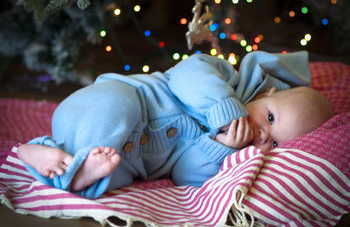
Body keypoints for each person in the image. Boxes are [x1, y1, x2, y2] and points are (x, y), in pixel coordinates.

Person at [17, 51, 334, 199]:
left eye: (276, 143)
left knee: (111, 174)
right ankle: (68, 161)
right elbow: (186, 74)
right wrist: (226, 109)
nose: (264, 135)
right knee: (117, 109)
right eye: (271, 118)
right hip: (119, 102)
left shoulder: (233, 157)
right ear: (265, 93)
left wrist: (219, 147)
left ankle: (48, 158)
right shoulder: (226, 78)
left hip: (130, 160)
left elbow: (185, 176)